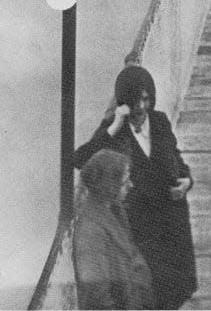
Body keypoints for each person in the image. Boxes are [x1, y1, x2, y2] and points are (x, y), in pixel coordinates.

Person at [74, 66, 197, 310]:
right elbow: (80, 159)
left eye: (146, 98)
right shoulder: (116, 129)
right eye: (135, 100)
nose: (141, 106)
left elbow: (177, 161)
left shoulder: (160, 122)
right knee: (151, 286)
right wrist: (115, 123)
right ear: (123, 102)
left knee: (177, 287)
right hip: (142, 223)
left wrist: (187, 181)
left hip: (172, 218)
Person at [73, 149, 155, 310]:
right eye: (125, 182)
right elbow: (96, 297)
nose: (131, 185)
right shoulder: (91, 230)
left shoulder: (115, 210)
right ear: (109, 186)